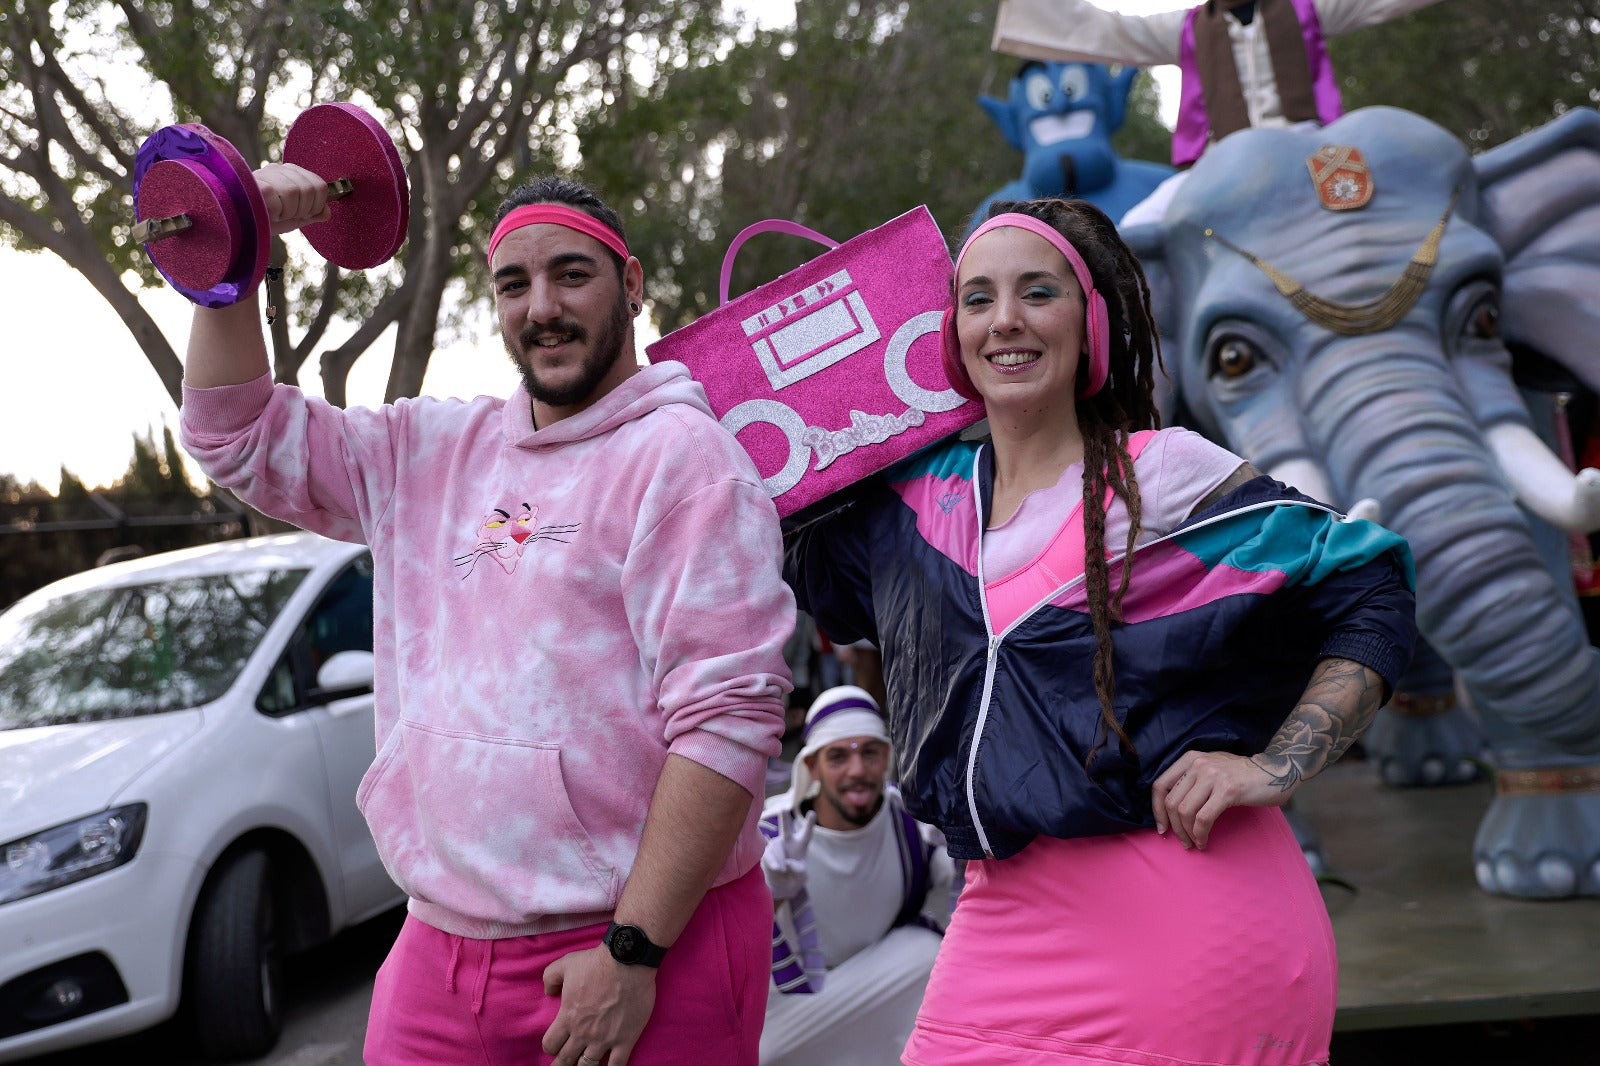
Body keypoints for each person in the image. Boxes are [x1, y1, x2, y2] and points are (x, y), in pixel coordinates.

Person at [178, 168, 795, 1066]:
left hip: (643, 943)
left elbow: (728, 720)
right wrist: (238, 243)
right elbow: (234, 434)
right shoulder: (428, 451)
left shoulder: (688, 462)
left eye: (572, 275)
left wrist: (634, 952)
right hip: (442, 941)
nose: (541, 307)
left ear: (631, 285)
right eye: (515, 284)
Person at [783, 198, 1416, 1066]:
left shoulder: (1163, 477)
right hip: (998, 912)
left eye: (1038, 293)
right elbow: (771, 546)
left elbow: (1369, 583)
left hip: (1192, 923)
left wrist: (1279, 763)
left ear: (1091, 324)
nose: (1005, 319)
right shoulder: (912, 507)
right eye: (977, 298)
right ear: (948, 331)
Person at [990, 0, 1443, 222]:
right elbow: (1110, 31)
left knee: (1405, 196)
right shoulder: (1187, 28)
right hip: (1226, 160)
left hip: (1314, 145)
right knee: (1141, 227)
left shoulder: (1310, 8)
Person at [757, 686, 952, 1066]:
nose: (858, 770)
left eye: (869, 752)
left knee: (928, 955)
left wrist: (964, 856)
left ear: (887, 758)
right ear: (812, 767)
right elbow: (729, 944)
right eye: (838, 757)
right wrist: (772, 894)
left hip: (881, 980)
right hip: (795, 1008)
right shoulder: (772, 834)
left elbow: (968, 894)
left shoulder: (912, 824)